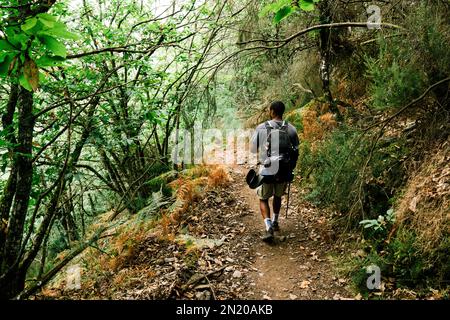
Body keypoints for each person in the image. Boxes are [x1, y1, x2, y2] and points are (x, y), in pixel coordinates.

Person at [250, 101, 299, 242]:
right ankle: (276, 221)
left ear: (272, 111)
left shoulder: (262, 127)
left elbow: (253, 149)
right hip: (284, 170)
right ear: (283, 111)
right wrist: (291, 168)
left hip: (267, 170)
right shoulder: (291, 129)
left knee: (263, 198)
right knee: (278, 196)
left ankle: (268, 227)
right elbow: (296, 151)